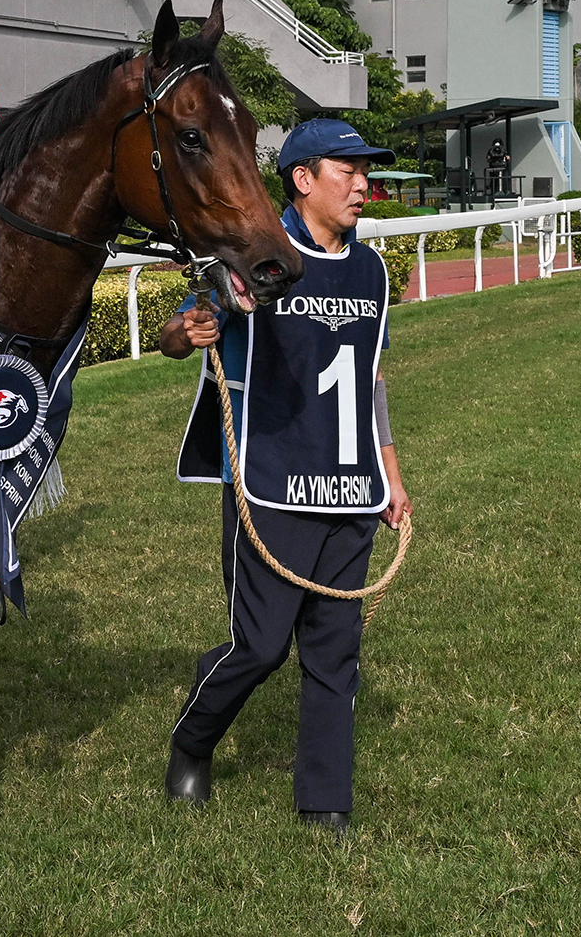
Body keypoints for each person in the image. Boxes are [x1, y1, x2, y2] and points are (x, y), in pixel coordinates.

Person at [158, 118, 415, 835]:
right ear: (303, 179)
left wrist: (390, 475)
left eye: (367, 172)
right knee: (261, 645)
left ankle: (325, 803)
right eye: (348, 170)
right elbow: (180, 334)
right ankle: (192, 739)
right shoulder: (252, 255)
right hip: (269, 486)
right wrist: (190, 331)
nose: (364, 184)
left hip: (350, 490)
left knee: (337, 651)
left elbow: (371, 378)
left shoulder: (370, 269)